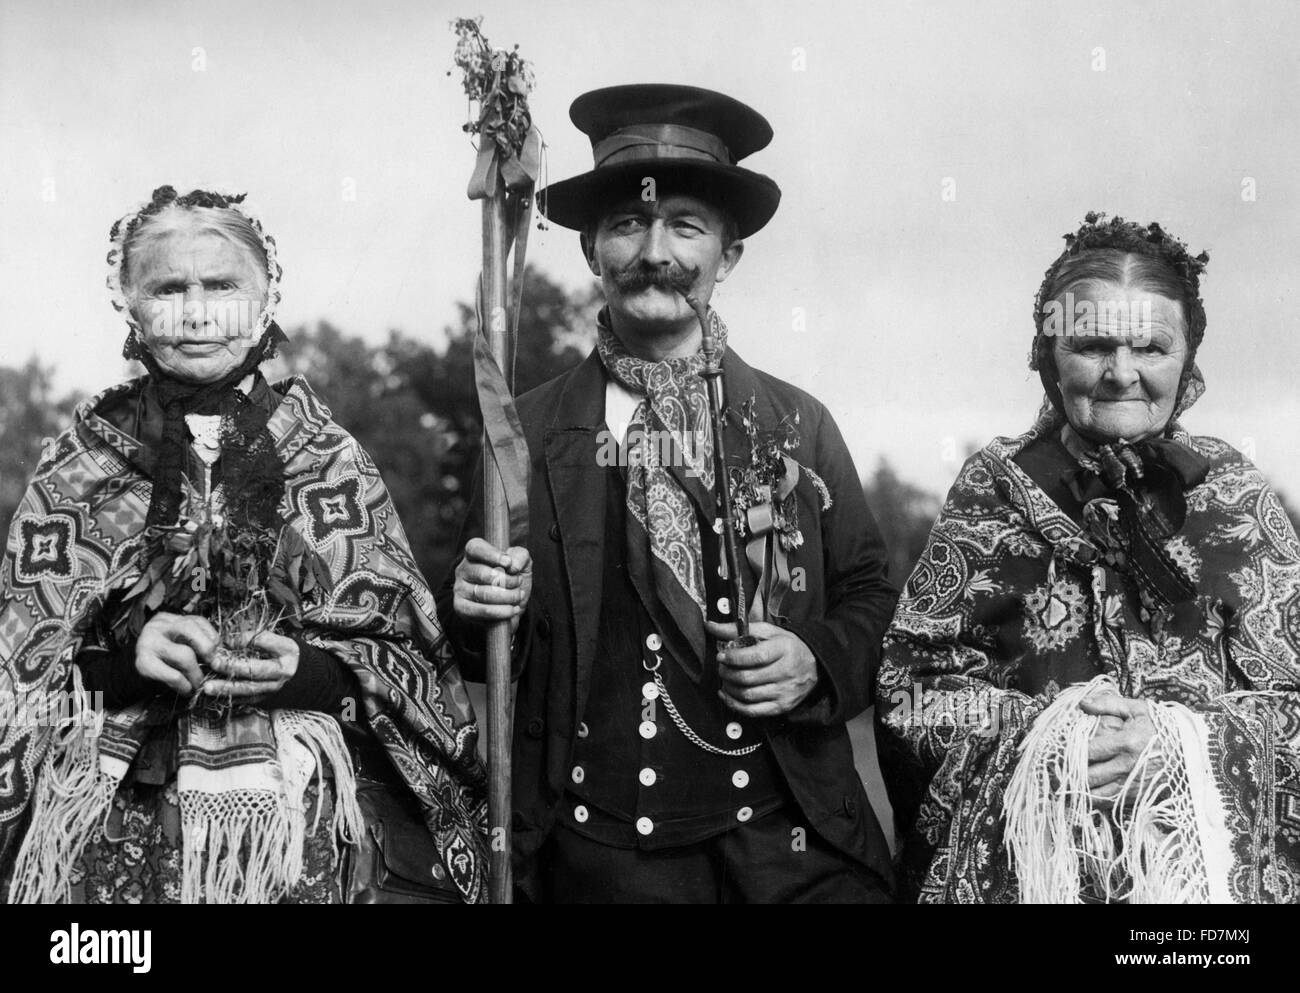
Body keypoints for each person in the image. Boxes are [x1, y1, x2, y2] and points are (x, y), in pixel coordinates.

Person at [442, 85, 898, 903]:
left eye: (685, 225)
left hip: (786, 848)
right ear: (590, 250)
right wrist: (475, 606)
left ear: (728, 256)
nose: (656, 251)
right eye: (627, 225)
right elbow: (481, 644)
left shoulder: (797, 423)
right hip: (595, 858)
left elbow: (871, 597)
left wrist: (815, 660)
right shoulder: (521, 432)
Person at [0, 186, 487, 904]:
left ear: (265, 297)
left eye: (222, 285)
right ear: (128, 303)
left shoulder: (328, 458)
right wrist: (129, 663)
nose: (197, 311)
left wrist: (309, 671)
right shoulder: (78, 465)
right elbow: (23, 676)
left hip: (303, 832)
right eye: (169, 288)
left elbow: (410, 661)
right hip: (105, 829)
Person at [876, 212, 1300, 904]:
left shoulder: (1237, 502)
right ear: (1049, 354)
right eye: (1093, 344)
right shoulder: (992, 491)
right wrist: (1057, 738)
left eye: (1151, 348)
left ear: (1187, 359)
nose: (1121, 374)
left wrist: (1179, 744)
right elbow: (908, 696)